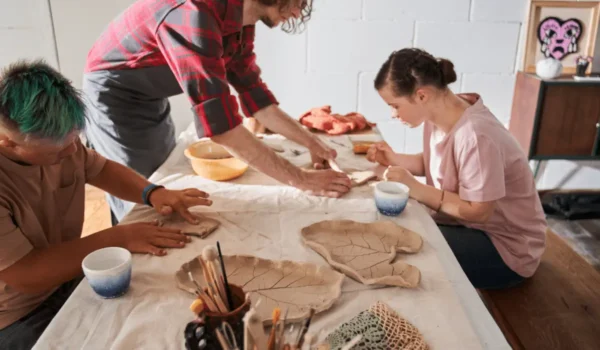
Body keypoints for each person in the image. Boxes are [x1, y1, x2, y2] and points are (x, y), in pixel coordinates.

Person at [0, 61, 214, 349]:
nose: (72, 151)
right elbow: (26, 275)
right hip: (16, 313)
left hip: (65, 277)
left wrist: (152, 192)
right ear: (7, 143)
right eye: (57, 151)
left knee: (157, 321)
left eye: (75, 140)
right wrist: (117, 238)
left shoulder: (65, 147)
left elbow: (98, 168)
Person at [83, 0, 351, 224]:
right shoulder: (194, 12)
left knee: (164, 176)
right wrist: (301, 179)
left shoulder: (240, 21)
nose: (296, 12)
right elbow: (221, 129)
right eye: (298, 1)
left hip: (150, 93)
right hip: (115, 95)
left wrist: (311, 142)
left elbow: (256, 98)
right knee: (143, 197)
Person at [367, 48, 547, 290]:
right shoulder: (440, 114)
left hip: (506, 249)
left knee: (398, 255)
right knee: (392, 235)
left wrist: (415, 188)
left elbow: (478, 211)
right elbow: (439, 163)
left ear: (421, 96)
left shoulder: (476, 135)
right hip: (471, 228)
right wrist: (395, 158)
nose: (393, 114)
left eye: (395, 106)